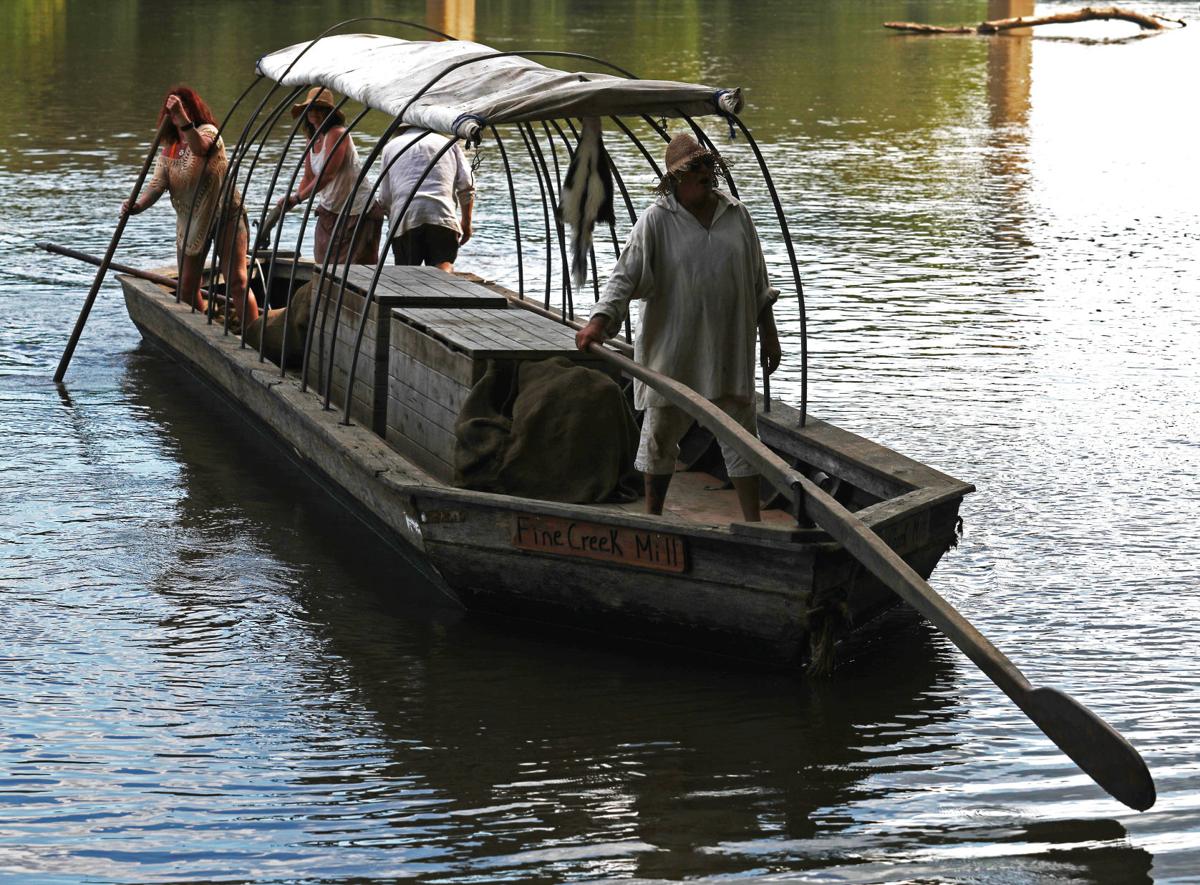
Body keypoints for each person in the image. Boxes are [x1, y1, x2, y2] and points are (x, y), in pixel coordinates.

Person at [575, 133, 781, 522]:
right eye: (695, 170)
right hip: (674, 355)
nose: (705, 175)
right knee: (659, 437)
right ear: (675, 180)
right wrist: (599, 322)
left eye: (707, 167)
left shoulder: (736, 215)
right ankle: (654, 516)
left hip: (728, 351)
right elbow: (624, 278)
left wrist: (769, 333)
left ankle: (753, 522)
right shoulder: (656, 221)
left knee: (742, 442)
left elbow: (759, 281)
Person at [122, 85, 257, 324]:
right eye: (171, 114)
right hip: (192, 219)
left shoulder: (208, 132)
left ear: (189, 111)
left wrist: (182, 118)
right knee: (186, 286)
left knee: (237, 281)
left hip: (226, 213)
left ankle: (255, 334)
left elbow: (201, 148)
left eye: (179, 112)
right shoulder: (170, 147)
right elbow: (157, 184)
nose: (174, 118)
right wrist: (137, 205)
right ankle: (203, 327)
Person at [278, 87, 380, 266]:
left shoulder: (338, 134)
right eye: (311, 109)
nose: (314, 113)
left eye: (320, 109)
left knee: (353, 269)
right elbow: (309, 176)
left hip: (357, 209)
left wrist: (298, 198)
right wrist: (292, 200)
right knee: (324, 264)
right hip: (330, 208)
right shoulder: (312, 139)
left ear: (329, 113)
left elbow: (327, 174)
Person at [376, 126, 474, 271]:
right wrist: (466, 223)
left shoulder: (390, 147)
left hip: (405, 216)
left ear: (400, 129)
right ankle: (444, 279)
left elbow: (385, 198)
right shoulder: (448, 143)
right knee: (442, 266)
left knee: (406, 276)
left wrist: (393, 223)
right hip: (442, 213)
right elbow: (467, 186)